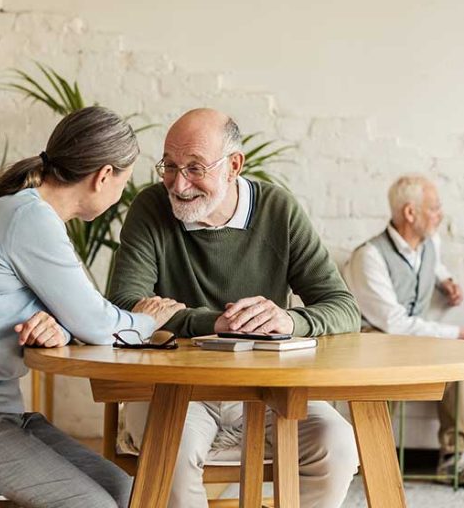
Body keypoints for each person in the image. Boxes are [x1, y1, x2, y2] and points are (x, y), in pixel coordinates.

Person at [0, 106, 184, 508]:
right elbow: (98, 324)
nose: (120, 197)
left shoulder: (28, 213)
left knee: (127, 493)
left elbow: (64, 314)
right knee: (91, 505)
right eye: (124, 182)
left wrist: (57, 328)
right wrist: (147, 319)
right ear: (103, 177)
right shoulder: (29, 219)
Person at [107, 108, 361, 508]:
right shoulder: (151, 208)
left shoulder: (278, 209)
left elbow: (343, 308)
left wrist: (288, 321)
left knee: (338, 445)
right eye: (169, 166)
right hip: (176, 389)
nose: (178, 183)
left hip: (269, 388)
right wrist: (216, 324)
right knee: (168, 450)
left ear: (233, 166)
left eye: (194, 168)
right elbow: (124, 307)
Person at [342, 174, 464, 485]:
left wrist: (446, 281)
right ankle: (374, 457)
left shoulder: (430, 243)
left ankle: (455, 458)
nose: (441, 215)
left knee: (455, 359)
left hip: (411, 339)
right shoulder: (368, 257)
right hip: (376, 337)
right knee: (395, 353)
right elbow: (393, 324)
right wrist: (461, 332)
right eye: (435, 208)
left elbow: (432, 264)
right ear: (411, 213)